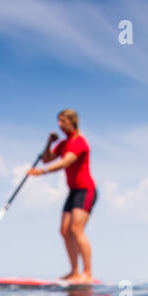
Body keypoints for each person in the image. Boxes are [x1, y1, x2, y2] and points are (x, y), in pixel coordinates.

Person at [27, 109, 97, 284]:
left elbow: (66, 162)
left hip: (85, 190)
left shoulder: (79, 142)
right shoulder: (63, 144)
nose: (59, 124)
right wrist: (48, 143)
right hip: (73, 191)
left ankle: (87, 274)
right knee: (64, 231)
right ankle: (74, 272)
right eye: (58, 121)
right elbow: (47, 158)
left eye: (63, 121)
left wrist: (42, 173)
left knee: (76, 229)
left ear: (71, 122)